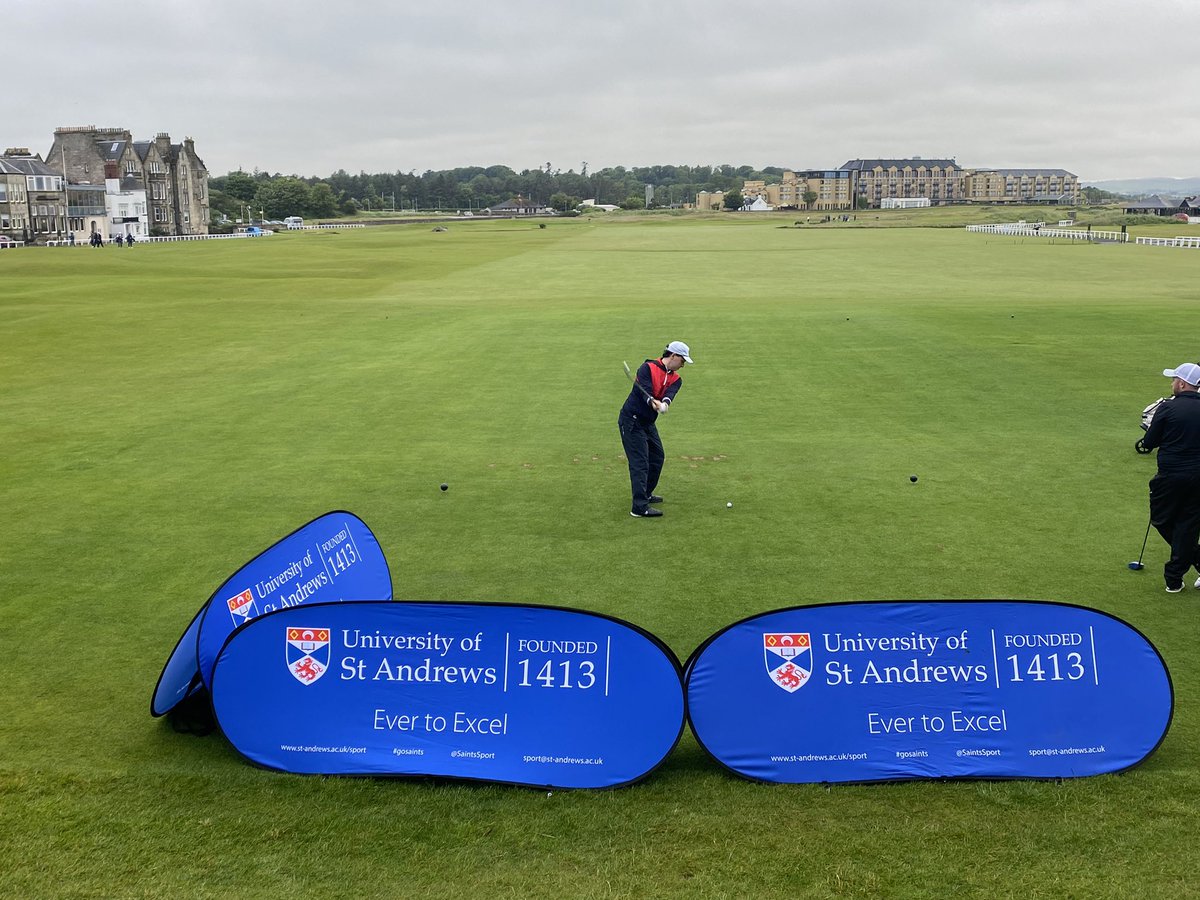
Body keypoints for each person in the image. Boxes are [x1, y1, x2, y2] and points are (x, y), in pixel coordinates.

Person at [1140, 362, 1200, 592]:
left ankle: (1174, 575)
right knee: (1188, 523)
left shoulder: (1167, 408)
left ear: (1182, 383)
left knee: (1162, 519)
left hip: (1171, 476)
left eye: (1174, 380)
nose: (1172, 383)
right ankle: (1175, 575)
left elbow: (1149, 442)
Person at [618, 341, 693, 518]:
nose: (683, 365)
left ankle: (646, 493)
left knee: (657, 457)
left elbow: (670, 393)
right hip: (631, 420)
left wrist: (665, 403)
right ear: (673, 356)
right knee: (640, 463)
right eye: (682, 360)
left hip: (647, 423)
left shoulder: (677, 379)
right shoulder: (647, 368)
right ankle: (639, 508)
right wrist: (652, 401)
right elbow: (643, 392)